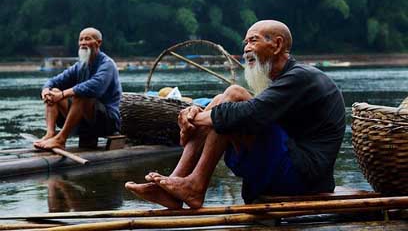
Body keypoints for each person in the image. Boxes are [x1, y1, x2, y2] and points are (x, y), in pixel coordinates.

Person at [125, 20, 346, 209]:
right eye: (245, 43)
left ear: (277, 45)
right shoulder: (279, 81)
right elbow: (249, 110)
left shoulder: (301, 77)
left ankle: (195, 186)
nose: (246, 49)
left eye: (253, 40)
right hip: (287, 165)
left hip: (305, 176)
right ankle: (176, 183)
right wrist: (199, 110)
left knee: (233, 95)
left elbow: (253, 112)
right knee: (225, 101)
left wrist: (197, 119)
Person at [34, 27, 122, 150]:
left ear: (99, 42)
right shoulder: (80, 65)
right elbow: (56, 80)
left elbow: (94, 87)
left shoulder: (107, 64)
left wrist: (63, 94)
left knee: (82, 94)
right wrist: (46, 89)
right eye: (81, 39)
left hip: (107, 122)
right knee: (53, 92)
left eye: (87, 39)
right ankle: (50, 134)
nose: (83, 43)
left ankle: (61, 139)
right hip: (85, 120)